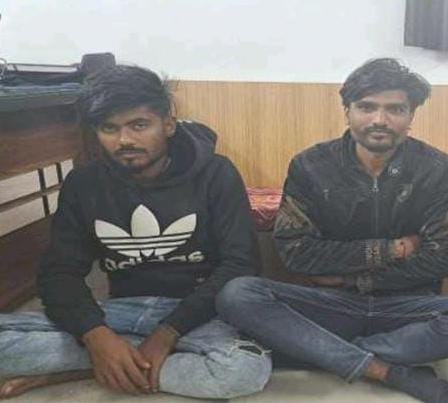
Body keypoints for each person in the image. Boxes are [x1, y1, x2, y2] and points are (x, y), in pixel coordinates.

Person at [216, 58, 448, 403]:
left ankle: (317, 351)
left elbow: (440, 260)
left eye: (395, 109)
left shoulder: (437, 169)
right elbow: (296, 253)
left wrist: (351, 278)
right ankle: (386, 370)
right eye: (366, 107)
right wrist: (393, 249)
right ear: (347, 110)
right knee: (238, 294)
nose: (380, 120)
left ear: (411, 115)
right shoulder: (311, 166)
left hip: (406, 306)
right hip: (330, 304)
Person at [0, 65, 271, 399]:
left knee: (242, 369)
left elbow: (241, 264)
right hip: (121, 310)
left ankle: (102, 366)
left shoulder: (216, 173)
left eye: (139, 125)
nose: (125, 140)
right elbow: (58, 272)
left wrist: (167, 333)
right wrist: (96, 336)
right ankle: (121, 361)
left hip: (200, 312)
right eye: (109, 128)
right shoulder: (84, 183)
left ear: (168, 124)